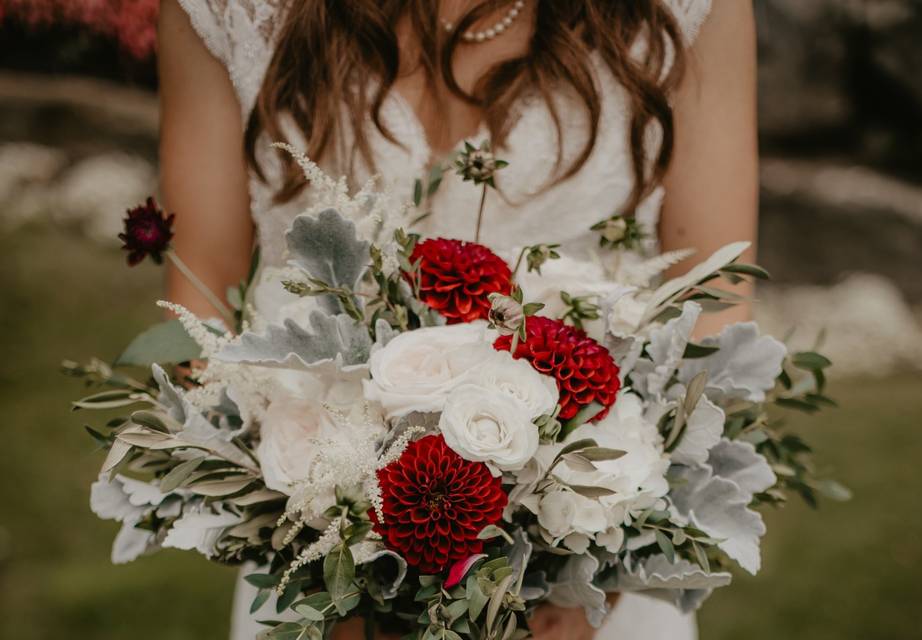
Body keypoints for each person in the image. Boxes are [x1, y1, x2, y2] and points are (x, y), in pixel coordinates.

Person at [157, 1, 758, 638]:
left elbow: (714, 306)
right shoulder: (228, 11)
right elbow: (200, 307)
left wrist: (579, 574)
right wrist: (337, 561)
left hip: (586, 588)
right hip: (327, 577)